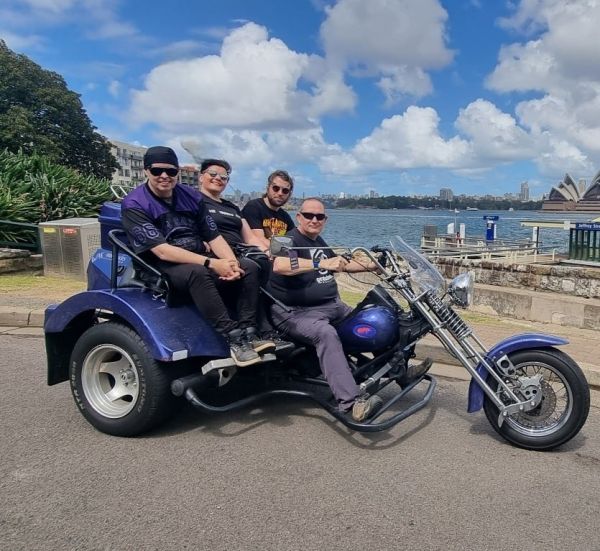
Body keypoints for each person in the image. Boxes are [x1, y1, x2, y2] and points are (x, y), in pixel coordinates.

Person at [267, 198, 430, 422]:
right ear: (299, 217)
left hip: (332, 306)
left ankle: (400, 373)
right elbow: (280, 265)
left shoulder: (318, 242)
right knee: (326, 334)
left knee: (377, 318)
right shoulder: (286, 239)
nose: (314, 220)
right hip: (295, 312)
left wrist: (375, 264)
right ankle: (351, 402)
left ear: (325, 219)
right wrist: (320, 264)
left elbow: (341, 264)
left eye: (320, 216)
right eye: (309, 215)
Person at [120, 146, 271, 367]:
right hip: (161, 265)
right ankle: (234, 338)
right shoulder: (135, 204)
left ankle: (250, 331)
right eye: (157, 171)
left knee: (249, 266)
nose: (164, 176)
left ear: (177, 172)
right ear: (146, 171)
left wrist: (231, 263)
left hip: (197, 255)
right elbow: (162, 250)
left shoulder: (190, 196)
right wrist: (212, 263)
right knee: (198, 272)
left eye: (170, 171)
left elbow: (213, 236)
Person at [198, 158, 290, 352]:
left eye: (223, 176)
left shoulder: (231, 207)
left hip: (240, 251)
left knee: (263, 262)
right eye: (213, 174)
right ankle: (251, 330)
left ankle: (267, 328)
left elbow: (249, 237)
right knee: (250, 267)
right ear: (201, 177)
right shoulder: (195, 202)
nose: (218, 179)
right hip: (216, 254)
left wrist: (268, 252)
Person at [241, 170, 295, 251]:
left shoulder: (285, 216)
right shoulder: (254, 207)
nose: (280, 193)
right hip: (258, 257)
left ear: (289, 194)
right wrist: (284, 251)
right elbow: (259, 239)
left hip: (279, 256)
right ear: (268, 188)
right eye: (276, 188)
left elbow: (295, 239)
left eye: (285, 190)